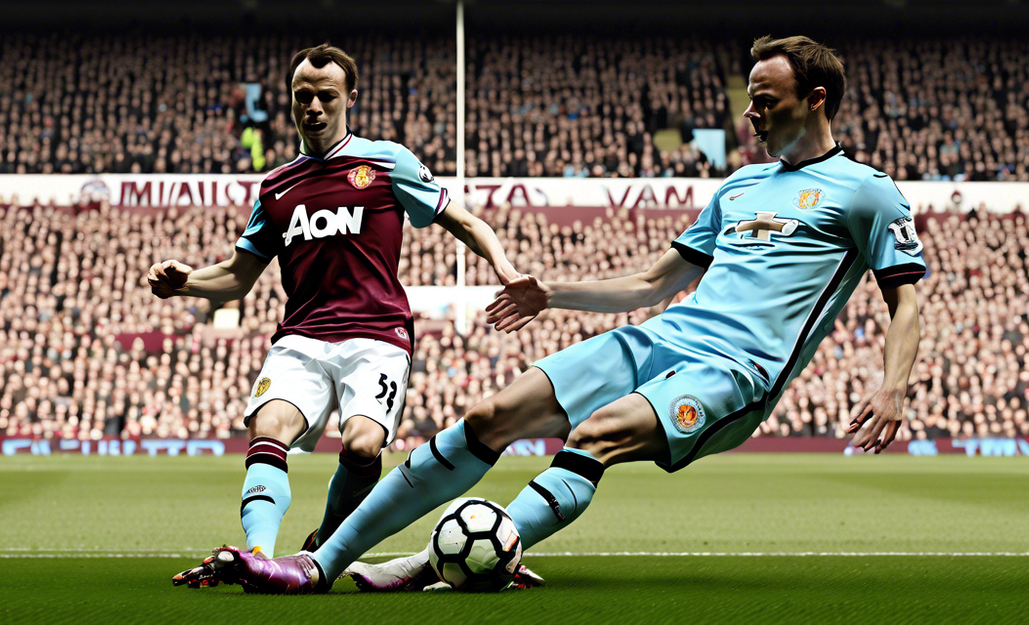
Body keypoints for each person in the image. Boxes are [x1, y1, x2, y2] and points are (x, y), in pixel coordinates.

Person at [194, 34, 927, 594]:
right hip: (664, 336)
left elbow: (905, 297)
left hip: (736, 373)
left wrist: (891, 384)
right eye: (751, 97)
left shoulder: (867, 193)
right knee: (487, 417)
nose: (751, 112)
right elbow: (651, 280)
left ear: (819, 98)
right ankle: (318, 563)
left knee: (598, 434)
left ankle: (441, 556)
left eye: (766, 99)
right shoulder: (739, 186)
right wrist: (554, 291)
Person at [159, 44, 529, 589]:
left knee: (361, 445)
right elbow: (239, 276)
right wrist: (186, 282)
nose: (313, 106)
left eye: (325, 96)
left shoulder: (386, 162)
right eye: (302, 96)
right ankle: (259, 555)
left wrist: (504, 266)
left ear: (349, 99)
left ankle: (323, 549)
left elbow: (467, 222)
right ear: (290, 101)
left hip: (376, 337)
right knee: (268, 429)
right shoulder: (277, 186)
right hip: (302, 338)